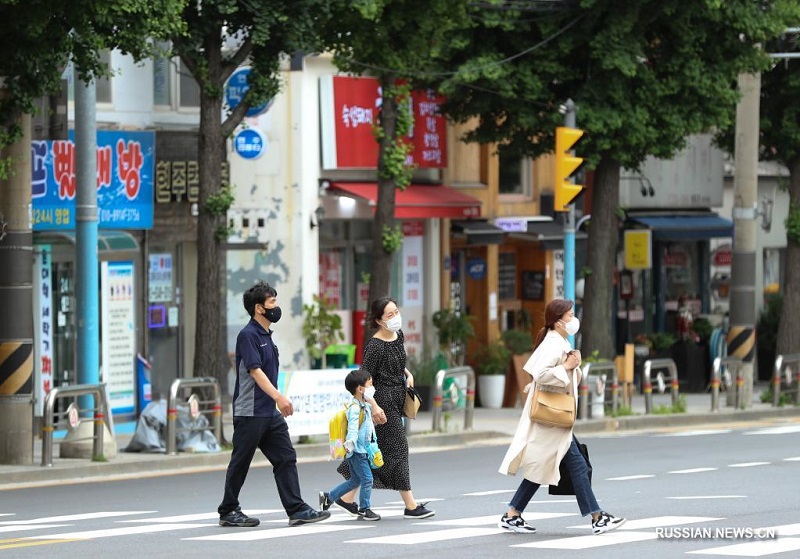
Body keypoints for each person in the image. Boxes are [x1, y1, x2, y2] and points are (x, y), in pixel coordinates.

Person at [498, 298, 626, 535]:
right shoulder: (552, 344)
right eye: (569, 316)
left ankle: (513, 514)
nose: (573, 320)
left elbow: (570, 380)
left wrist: (573, 366)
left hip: (557, 416)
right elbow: (541, 374)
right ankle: (598, 517)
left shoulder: (560, 341)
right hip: (553, 416)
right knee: (576, 464)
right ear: (558, 322)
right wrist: (567, 366)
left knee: (545, 464)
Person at [218, 281, 331, 528]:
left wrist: (275, 400)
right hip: (250, 410)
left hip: (268, 411)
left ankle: (297, 509)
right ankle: (228, 510)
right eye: (272, 303)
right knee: (241, 460)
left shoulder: (267, 336)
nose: (276, 307)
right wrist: (279, 397)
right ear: (259, 308)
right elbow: (256, 372)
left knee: (286, 457)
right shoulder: (248, 335)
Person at [329, 297, 435, 519]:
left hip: (397, 399)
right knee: (398, 449)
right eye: (390, 314)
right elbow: (363, 379)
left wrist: (407, 374)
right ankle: (411, 505)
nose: (396, 317)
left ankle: (346, 499)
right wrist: (374, 406)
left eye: (396, 311)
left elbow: (398, 361)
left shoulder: (399, 336)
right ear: (378, 320)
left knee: (373, 451)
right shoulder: (375, 346)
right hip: (382, 403)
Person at [319, 369, 381, 521]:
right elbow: (353, 428)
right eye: (370, 385)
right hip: (357, 451)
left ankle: (328, 497)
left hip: (361, 450)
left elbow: (367, 428)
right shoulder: (355, 408)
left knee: (355, 480)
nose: (373, 388)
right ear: (361, 389)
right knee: (367, 479)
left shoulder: (364, 405)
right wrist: (351, 443)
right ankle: (365, 509)